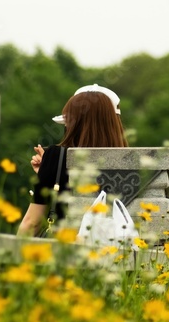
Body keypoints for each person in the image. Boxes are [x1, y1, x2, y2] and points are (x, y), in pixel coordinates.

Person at [17, 84, 128, 236]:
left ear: (73, 123)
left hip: (66, 249)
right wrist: (46, 172)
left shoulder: (57, 156)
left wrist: (50, 169)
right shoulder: (131, 160)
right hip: (122, 252)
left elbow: (32, 222)